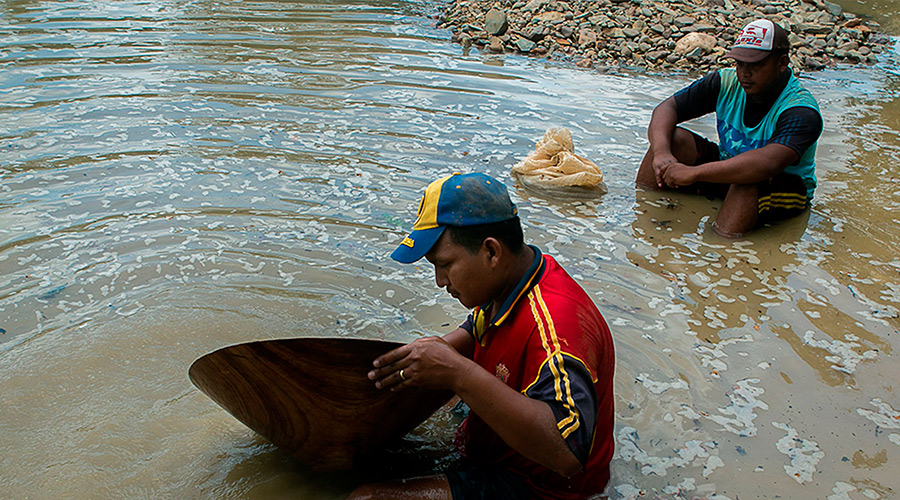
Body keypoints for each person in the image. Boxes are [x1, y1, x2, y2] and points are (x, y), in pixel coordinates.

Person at [347, 172, 615, 500]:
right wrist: (421, 359)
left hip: (541, 487)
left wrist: (457, 373)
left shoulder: (557, 327)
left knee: (367, 497)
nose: (439, 281)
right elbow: (475, 334)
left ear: (491, 252)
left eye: (445, 264)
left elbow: (567, 454)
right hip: (500, 452)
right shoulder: (511, 279)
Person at [635, 18, 823, 238]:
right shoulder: (725, 82)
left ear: (782, 63)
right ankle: (642, 217)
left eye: (755, 65)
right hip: (728, 167)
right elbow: (667, 108)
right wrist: (662, 153)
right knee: (672, 139)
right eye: (740, 63)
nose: (744, 73)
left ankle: (721, 253)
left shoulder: (801, 111)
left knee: (747, 182)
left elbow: (766, 164)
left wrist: (693, 174)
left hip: (781, 187)